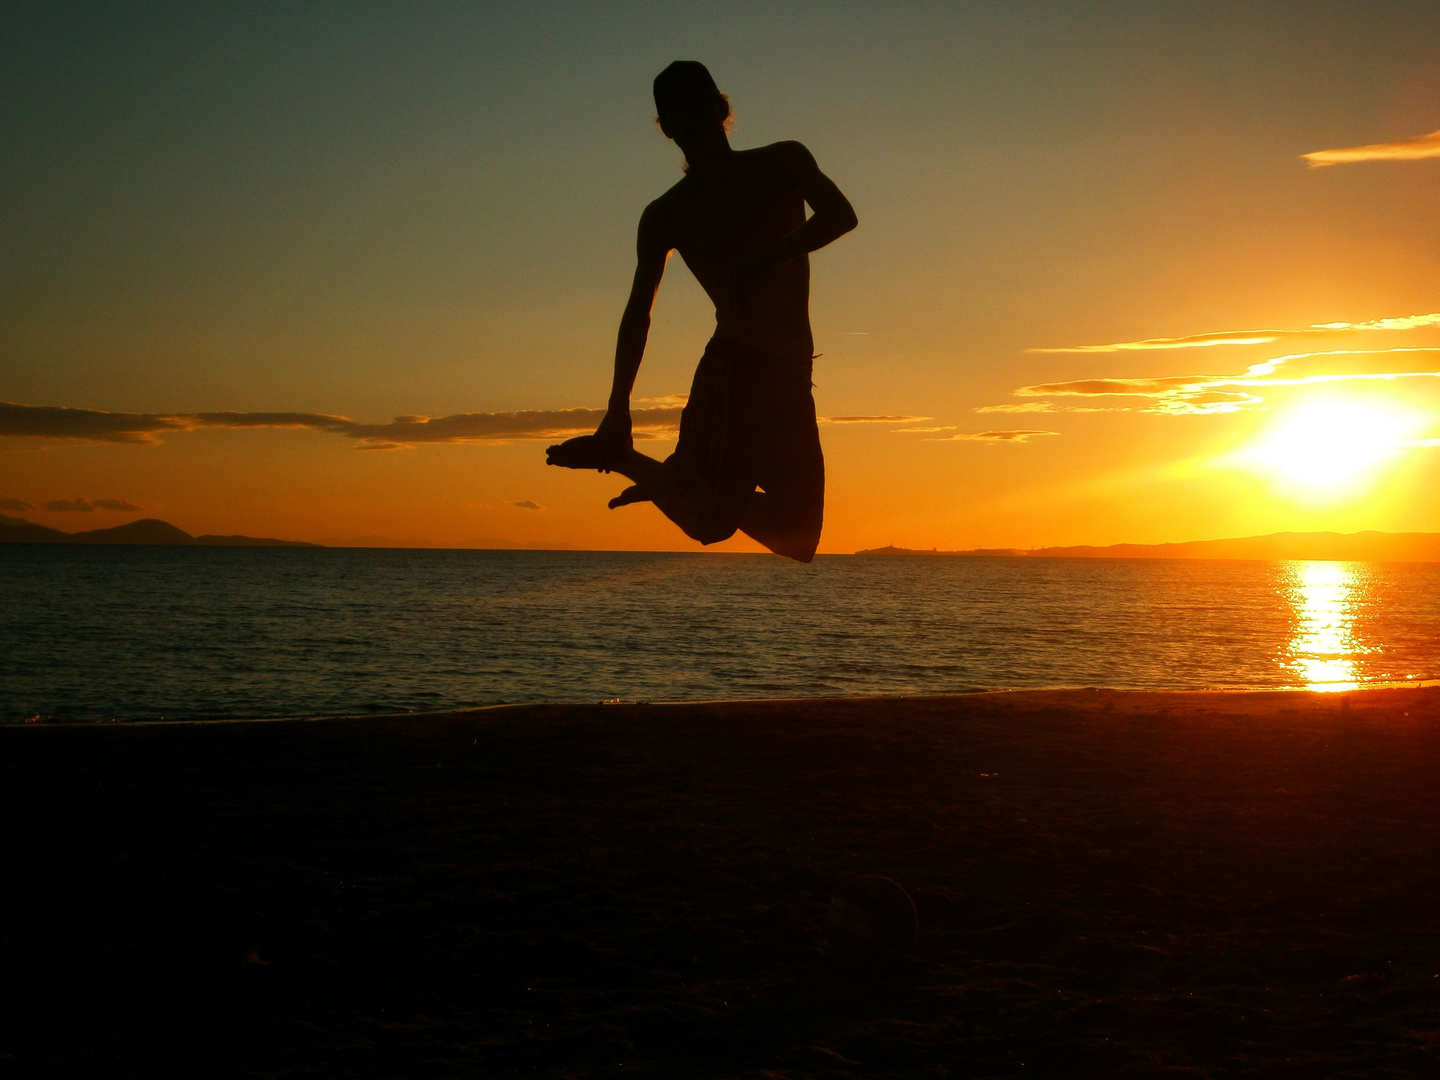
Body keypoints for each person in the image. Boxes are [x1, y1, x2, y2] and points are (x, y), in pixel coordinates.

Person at [546, 61, 857, 563]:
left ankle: (678, 484)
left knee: (799, 537)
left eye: (698, 105)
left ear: (720, 107)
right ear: (666, 127)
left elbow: (841, 215)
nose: (690, 120)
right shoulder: (668, 213)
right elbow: (637, 312)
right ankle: (641, 466)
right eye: (677, 112)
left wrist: (767, 255)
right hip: (735, 367)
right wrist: (617, 408)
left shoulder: (783, 161)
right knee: (711, 524)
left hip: (793, 374)